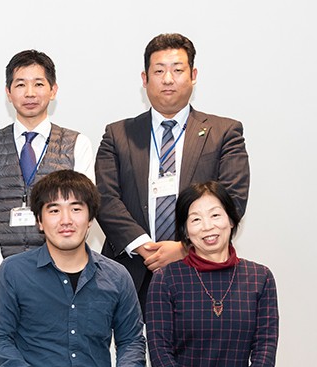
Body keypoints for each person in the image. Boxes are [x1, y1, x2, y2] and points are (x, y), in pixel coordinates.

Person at [0, 170, 156, 367]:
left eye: (76, 209)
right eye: (54, 210)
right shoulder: (14, 271)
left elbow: (132, 341)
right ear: (40, 221)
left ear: (90, 218)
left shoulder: (116, 276)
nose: (66, 220)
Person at [96, 33, 250, 313]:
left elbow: (233, 198)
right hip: (131, 272)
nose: (168, 79)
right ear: (144, 79)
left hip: (203, 271)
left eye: (177, 70)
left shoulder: (225, 132)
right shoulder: (117, 135)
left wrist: (184, 247)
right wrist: (144, 246)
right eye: (159, 71)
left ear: (193, 75)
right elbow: (105, 198)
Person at [0, 49, 94, 367]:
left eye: (38, 84)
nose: (29, 93)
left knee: (57, 359)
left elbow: (82, 213)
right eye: (20, 84)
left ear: (53, 90)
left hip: (59, 275)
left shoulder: (77, 144)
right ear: (8, 92)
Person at [143, 181, 278, 367]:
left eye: (215, 215)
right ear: (185, 230)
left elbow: (265, 349)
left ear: (231, 219)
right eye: (196, 219)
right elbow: (160, 352)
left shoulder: (260, 277)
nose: (207, 226)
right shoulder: (166, 279)